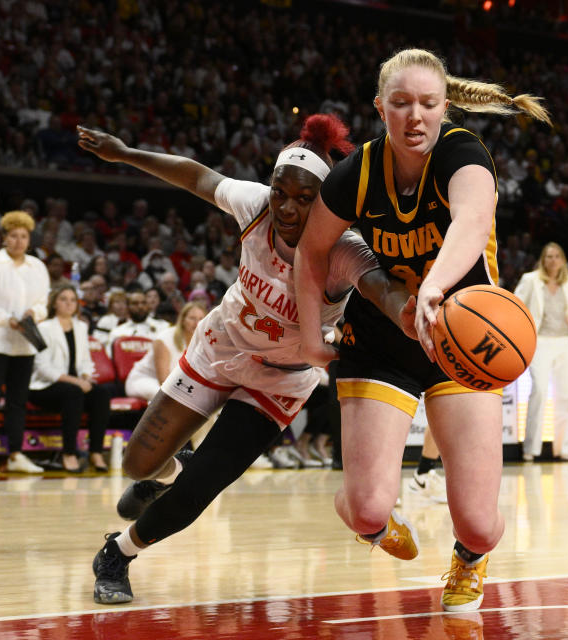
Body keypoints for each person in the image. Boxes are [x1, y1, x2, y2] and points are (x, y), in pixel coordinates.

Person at [78, 114, 409, 604]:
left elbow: (382, 287)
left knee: (201, 487)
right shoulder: (255, 205)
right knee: (137, 464)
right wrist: (125, 153)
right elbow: (195, 174)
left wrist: (419, 316)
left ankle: (117, 553)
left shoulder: (342, 248)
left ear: (324, 200)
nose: (288, 207)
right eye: (281, 192)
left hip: (279, 380)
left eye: (303, 198)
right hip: (220, 346)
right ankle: (166, 474)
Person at [294, 48, 551, 612]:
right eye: (402, 103)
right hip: (382, 339)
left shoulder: (463, 152)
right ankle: (375, 526)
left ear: (445, 108)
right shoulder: (355, 173)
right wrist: (313, 337)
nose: (416, 116)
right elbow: (311, 254)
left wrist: (433, 288)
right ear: (380, 107)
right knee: (366, 510)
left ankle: (469, 557)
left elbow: (473, 219)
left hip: (463, 338)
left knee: (482, 524)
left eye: (429, 104)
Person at [0, 210, 50, 475]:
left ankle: (15, 453)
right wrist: (8, 319)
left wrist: (33, 315)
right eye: (13, 236)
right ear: (4, 237)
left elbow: (43, 302)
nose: (18, 241)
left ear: (29, 239)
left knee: (18, 401)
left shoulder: (37, 266)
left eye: (23, 236)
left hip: (24, 343)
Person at [514, 243, 568, 462]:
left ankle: (563, 447)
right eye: (549, 256)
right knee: (539, 391)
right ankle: (531, 448)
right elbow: (516, 305)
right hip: (539, 341)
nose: (553, 260)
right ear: (543, 259)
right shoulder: (531, 280)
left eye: (557, 256)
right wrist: (524, 329)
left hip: (564, 341)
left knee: (565, 395)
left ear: (563, 260)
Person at [28, 285, 110, 472]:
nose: (69, 303)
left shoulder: (81, 327)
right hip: (43, 386)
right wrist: (76, 382)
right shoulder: (44, 327)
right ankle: (69, 453)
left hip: (74, 386)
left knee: (101, 394)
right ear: (54, 303)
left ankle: (96, 452)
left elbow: (85, 361)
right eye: (63, 299)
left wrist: (86, 377)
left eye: (73, 300)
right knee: (73, 393)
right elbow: (42, 367)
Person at [125, 301, 206, 400]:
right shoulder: (165, 338)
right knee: (170, 398)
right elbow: (163, 380)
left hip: (176, 386)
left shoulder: (203, 343)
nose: (197, 323)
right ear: (183, 319)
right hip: (144, 380)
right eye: (192, 318)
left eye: (201, 319)